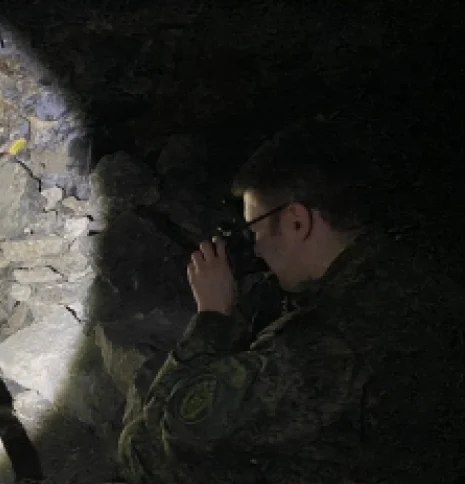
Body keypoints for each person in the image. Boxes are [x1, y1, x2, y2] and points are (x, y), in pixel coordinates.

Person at [116, 116, 465, 483]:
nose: (256, 249)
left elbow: (159, 443)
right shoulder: (417, 271)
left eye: (254, 230)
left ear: (297, 221)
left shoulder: (322, 347)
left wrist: (212, 318)